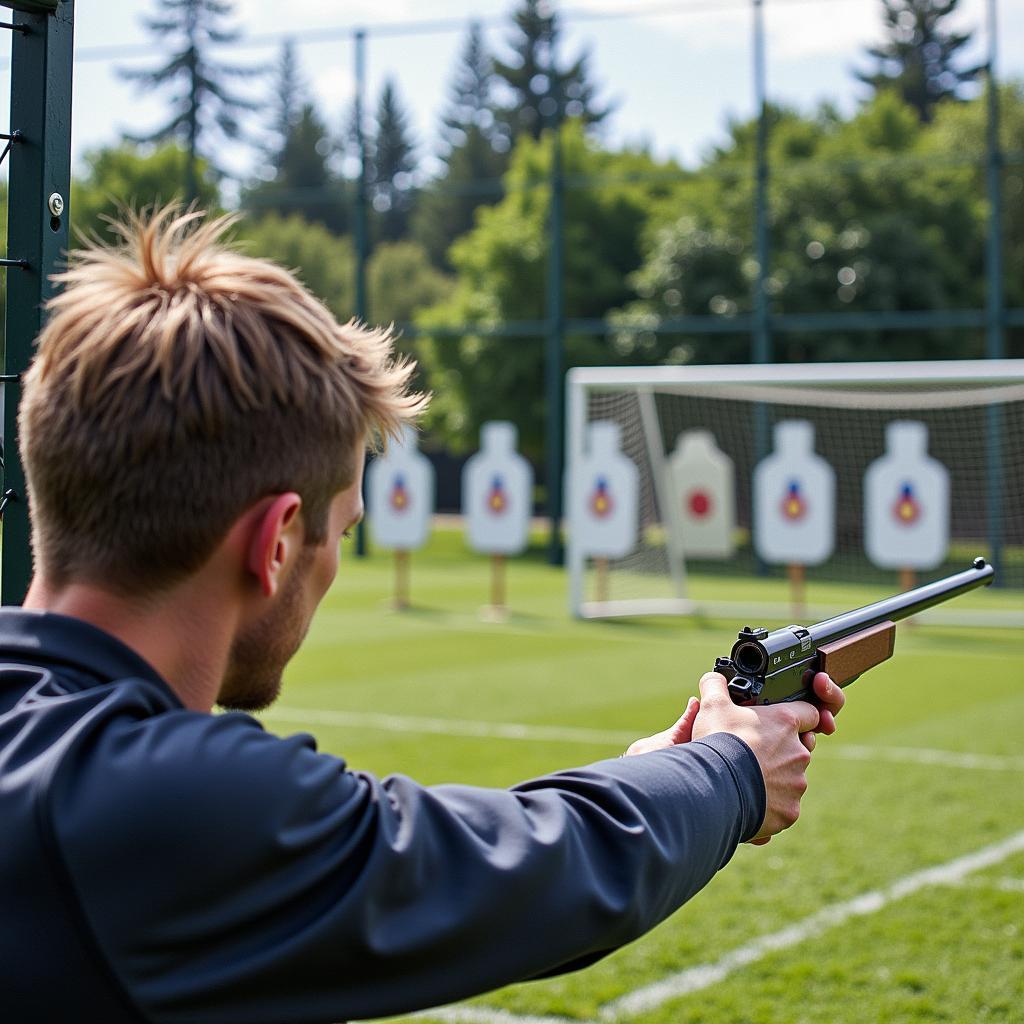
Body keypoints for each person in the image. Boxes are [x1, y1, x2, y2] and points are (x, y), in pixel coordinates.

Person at [0, 208, 844, 1023]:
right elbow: (513, 871)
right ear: (277, 543)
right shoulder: (162, 797)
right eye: (339, 533)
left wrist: (661, 769)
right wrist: (732, 771)